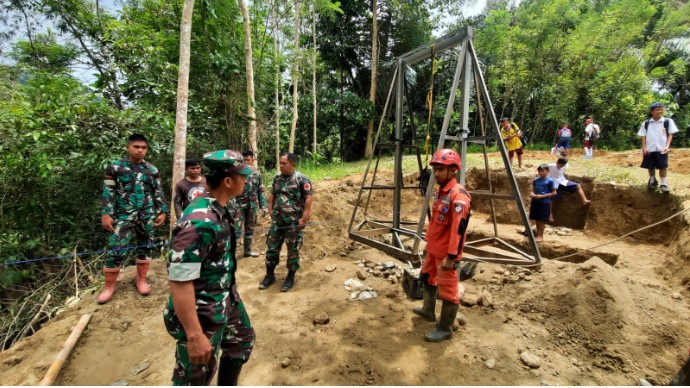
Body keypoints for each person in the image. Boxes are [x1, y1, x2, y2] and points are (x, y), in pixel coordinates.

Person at [163, 150, 255, 386]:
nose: (246, 180)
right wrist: (194, 335)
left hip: (223, 296)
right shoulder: (199, 220)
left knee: (241, 341)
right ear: (228, 181)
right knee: (195, 375)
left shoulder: (218, 207)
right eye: (242, 176)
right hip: (201, 310)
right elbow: (179, 280)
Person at [99, 133, 168, 304]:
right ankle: (109, 287)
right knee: (116, 248)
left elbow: (158, 192)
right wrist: (106, 213)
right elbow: (108, 191)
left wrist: (162, 211)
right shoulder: (116, 167)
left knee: (145, 247)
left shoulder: (151, 169)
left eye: (143, 148)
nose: (140, 150)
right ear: (128, 148)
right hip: (123, 215)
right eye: (136, 147)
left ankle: (141, 280)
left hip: (146, 214)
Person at [412, 149, 471, 343]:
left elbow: (458, 230)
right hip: (434, 248)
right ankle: (428, 310)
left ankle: (445, 328)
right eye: (435, 169)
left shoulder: (458, 197)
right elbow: (437, 222)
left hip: (447, 254)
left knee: (448, 290)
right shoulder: (441, 191)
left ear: (453, 170)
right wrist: (428, 245)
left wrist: (452, 257)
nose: (436, 173)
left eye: (440, 169)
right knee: (427, 278)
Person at [259, 152, 313, 292]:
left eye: (284, 163)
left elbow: (308, 199)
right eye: (280, 163)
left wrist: (304, 218)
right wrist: (270, 210)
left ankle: (290, 277)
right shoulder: (277, 177)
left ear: (292, 164)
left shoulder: (301, 179)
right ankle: (270, 275)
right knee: (271, 248)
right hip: (277, 222)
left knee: (293, 251)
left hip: (294, 223)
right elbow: (272, 194)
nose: (281, 166)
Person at [228, 151, 268, 258]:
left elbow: (260, 190)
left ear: (253, 160)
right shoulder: (236, 173)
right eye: (244, 160)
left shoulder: (256, 173)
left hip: (252, 205)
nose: (246, 162)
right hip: (238, 206)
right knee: (236, 229)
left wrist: (263, 206)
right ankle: (231, 253)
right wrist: (231, 207)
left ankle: (247, 251)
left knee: (250, 228)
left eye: (248, 160)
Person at [638, 102, 679, 193]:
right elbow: (643, 136)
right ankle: (652, 181)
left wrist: (667, 146)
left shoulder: (667, 122)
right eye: (657, 110)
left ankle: (664, 184)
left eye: (661, 109)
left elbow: (670, 135)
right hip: (650, 148)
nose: (660, 111)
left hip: (662, 148)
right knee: (650, 165)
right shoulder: (646, 123)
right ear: (652, 111)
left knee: (662, 166)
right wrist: (644, 147)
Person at [529, 164, 557, 242]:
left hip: (544, 202)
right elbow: (533, 191)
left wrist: (543, 196)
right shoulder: (535, 180)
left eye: (542, 171)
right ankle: (538, 234)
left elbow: (554, 193)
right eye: (539, 171)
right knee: (537, 218)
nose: (540, 173)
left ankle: (541, 235)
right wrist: (533, 195)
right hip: (535, 201)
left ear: (547, 171)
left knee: (542, 219)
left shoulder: (550, 181)